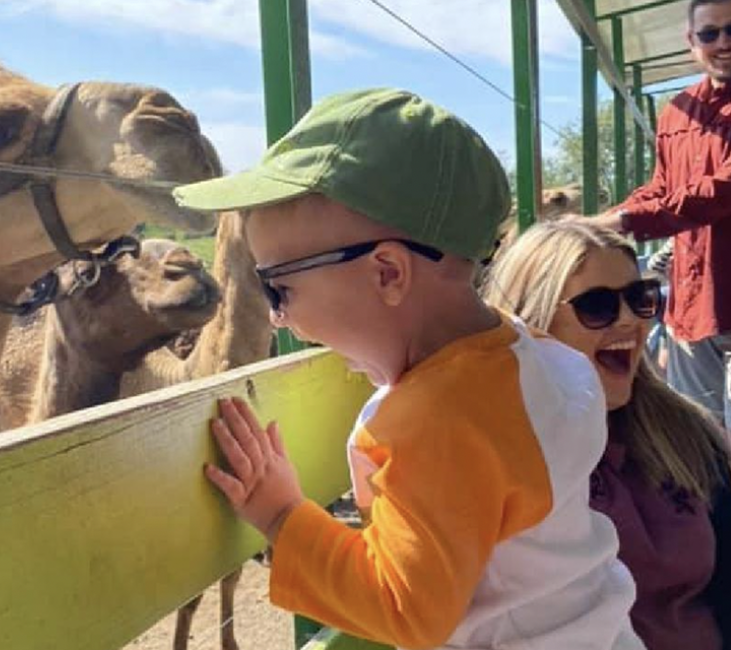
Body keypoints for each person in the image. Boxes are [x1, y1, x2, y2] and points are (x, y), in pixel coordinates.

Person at [172, 88, 643, 649]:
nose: (278, 320)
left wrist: (280, 516)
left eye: (278, 288)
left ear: (388, 274)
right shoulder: (542, 359)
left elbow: (405, 611)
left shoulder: (439, 421)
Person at [482, 220, 731, 650]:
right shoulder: (500, 457)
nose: (630, 321)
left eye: (640, 299)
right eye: (597, 306)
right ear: (533, 326)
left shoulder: (686, 435)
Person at [586, 0, 731, 427]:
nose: (722, 42)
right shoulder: (676, 112)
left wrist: (625, 222)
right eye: (709, 33)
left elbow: (718, 192)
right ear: (691, 43)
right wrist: (604, 223)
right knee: (702, 438)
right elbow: (663, 188)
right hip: (692, 309)